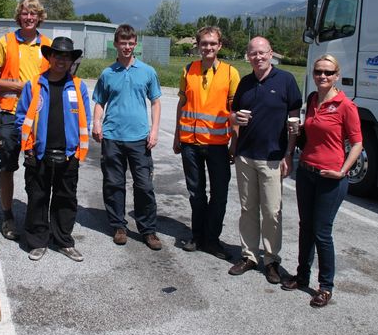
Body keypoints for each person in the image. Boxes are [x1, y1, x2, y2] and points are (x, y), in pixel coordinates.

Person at [281, 54, 362, 308]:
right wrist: (298, 130)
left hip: (331, 177)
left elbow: (358, 143)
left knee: (322, 232)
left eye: (328, 72)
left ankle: (325, 286)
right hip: (306, 172)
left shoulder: (345, 106)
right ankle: (302, 274)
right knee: (306, 226)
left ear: (337, 75)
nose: (323, 76)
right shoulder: (313, 99)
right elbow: (313, 132)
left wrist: (343, 171)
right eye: (319, 72)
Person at [228, 36, 302, 284]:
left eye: (262, 53)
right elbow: (233, 113)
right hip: (246, 156)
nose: (257, 57)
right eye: (253, 53)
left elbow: (294, 121)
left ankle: (271, 260)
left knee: (272, 212)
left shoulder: (286, 81)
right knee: (248, 209)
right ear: (247, 56)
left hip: (272, 158)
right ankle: (249, 256)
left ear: (271, 54)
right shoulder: (246, 82)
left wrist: (288, 154)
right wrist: (234, 124)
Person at [15, 37, 91, 262]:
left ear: (71, 60)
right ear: (49, 57)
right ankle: (38, 241)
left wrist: (78, 153)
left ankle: (63, 241)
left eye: (66, 56)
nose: (61, 59)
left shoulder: (78, 86)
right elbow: (22, 118)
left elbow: (84, 120)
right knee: (38, 197)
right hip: (38, 154)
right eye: (57, 55)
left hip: (68, 154)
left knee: (65, 198)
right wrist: (28, 149)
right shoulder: (34, 84)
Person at [92, 24, 163, 250]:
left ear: (135, 44)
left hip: (139, 139)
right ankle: (118, 226)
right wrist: (96, 123)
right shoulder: (107, 73)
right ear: (116, 44)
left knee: (144, 186)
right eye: (123, 43)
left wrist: (154, 131)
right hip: (112, 137)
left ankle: (148, 230)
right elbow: (99, 102)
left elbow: (156, 102)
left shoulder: (147, 71)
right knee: (114, 183)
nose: (127, 47)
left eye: (131, 43)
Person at [172, 26, 240, 259]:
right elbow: (182, 105)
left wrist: (234, 143)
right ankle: (197, 236)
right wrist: (176, 136)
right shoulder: (188, 69)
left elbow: (235, 112)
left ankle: (212, 239)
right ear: (198, 46)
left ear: (219, 46)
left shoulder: (231, 73)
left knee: (219, 194)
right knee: (196, 193)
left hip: (218, 144)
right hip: (190, 143)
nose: (208, 47)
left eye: (213, 43)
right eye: (204, 43)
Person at [0, 0, 52, 240]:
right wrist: (16, 86)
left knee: (38, 168)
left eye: (33, 14)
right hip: (10, 114)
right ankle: (7, 215)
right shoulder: (5, 42)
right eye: (25, 13)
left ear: (39, 17)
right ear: (19, 16)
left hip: (37, 118)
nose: (29, 17)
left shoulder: (47, 45)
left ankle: (35, 216)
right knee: (7, 166)